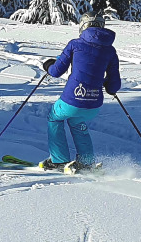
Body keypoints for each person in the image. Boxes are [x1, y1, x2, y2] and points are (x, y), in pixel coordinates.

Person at [38, 15, 121, 172]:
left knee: (54, 118)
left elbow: (56, 71)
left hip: (72, 99)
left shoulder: (75, 44)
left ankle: (59, 161)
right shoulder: (110, 51)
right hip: (94, 104)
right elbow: (114, 85)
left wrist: (49, 65)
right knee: (78, 124)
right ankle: (86, 163)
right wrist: (107, 85)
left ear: (83, 26)